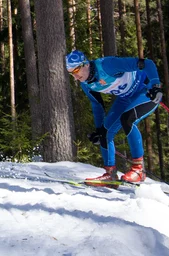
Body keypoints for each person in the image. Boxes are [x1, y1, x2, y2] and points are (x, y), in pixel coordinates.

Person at [65, 50, 163, 186]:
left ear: (85, 64)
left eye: (75, 70)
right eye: (71, 73)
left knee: (127, 120)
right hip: (126, 98)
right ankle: (110, 174)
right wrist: (99, 129)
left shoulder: (108, 65)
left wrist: (155, 85)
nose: (75, 76)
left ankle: (138, 170)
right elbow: (97, 105)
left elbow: (147, 63)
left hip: (146, 91)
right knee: (105, 132)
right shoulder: (86, 84)